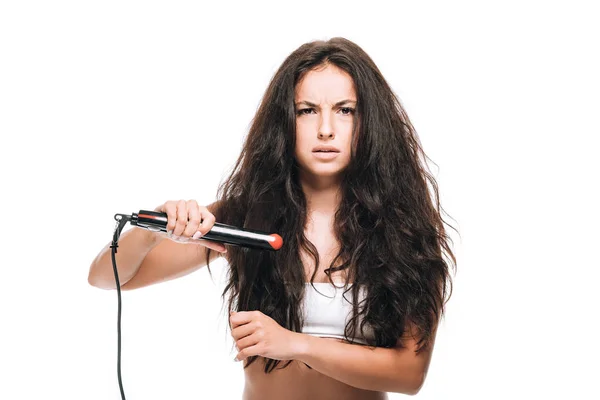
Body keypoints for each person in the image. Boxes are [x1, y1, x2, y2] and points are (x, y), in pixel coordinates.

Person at [88, 37, 456, 399]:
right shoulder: (246, 217)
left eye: (345, 110)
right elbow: (107, 278)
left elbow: (409, 374)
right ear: (285, 122)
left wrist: (295, 344)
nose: (325, 129)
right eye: (306, 110)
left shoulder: (403, 230)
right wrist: (155, 229)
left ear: (369, 123)